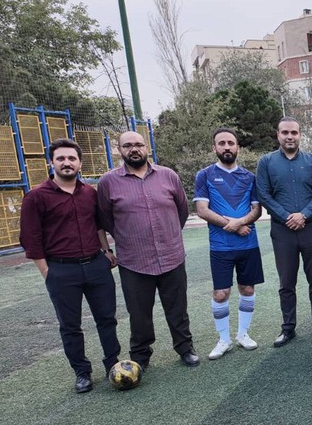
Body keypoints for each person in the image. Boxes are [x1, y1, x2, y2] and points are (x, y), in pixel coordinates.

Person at [19, 138, 120, 393]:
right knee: (70, 326)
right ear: (51, 162)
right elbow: (31, 239)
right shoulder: (36, 197)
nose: (67, 163)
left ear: (79, 163)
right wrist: (47, 272)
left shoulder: (89, 193)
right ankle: (82, 372)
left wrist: (106, 251)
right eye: (61, 158)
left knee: (107, 319)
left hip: (96, 266)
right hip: (61, 270)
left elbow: (98, 225)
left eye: (72, 158)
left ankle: (113, 364)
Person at [98, 131, 199, 368]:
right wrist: (129, 239)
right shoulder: (108, 182)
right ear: (119, 150)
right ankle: (140, 356)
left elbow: (182, 211)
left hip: (171, 256)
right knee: (139, 314)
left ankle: (185, 348)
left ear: (147, 148)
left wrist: (169, 235)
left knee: (178, 309)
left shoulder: (168, 176)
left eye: (138, 144)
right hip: (134, 261)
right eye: (127, 146)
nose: (134, 149)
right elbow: (105, 219)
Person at [256, 117, 312, 347]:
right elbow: (263, 194)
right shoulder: (266, 162)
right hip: (282, 231)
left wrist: (304, 215)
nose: (289, 136)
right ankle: (288, 328)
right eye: (285, 132)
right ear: (278, 135)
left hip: (311, 228)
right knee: (286, 282)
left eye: (294, 132)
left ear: (300, 134)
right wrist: (287, 217)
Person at [193, 128, 264, 360]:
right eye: (221, 143)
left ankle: (243, 334)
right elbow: (202, 210)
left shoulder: (249, 177)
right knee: (221, 293)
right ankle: (223, 339)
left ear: (238, 148)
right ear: (214, 147)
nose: (226, 147)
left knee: (248, 289)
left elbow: (256, 210)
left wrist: (241, 222)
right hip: (220, 246)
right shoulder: (204, 175)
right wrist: (233, 225)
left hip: (248, 244)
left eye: (230, 143)